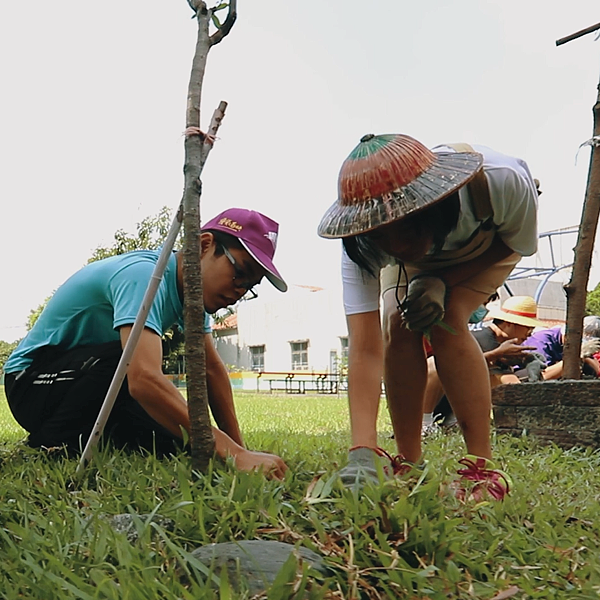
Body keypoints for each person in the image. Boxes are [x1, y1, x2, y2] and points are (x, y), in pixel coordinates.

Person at [318, 133, 539, 499]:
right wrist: (362, 449)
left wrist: (442, 280)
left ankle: (482, 470)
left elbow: (516, 242)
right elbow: (365, 347)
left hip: (486, 247)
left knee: (448, 317)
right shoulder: (362, 246)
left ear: (431, 202)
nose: (396, 245)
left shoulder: (500, 180)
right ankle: (408, 460)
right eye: (381, 234)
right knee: (399, 323)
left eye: (404, 227)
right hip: (412, 267)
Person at [3, 208, 288, 478]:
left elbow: (210, 370)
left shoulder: (194, 299)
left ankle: (91, 436)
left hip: (96, 385)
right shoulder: (143, 276)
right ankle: (51, 442)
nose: (240, 291)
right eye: (240, 273)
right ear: (203, 245)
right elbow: (142, 379)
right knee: (126, 358)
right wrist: (233, 453)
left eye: (250, 285)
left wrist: (239, 449)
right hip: (31, 382)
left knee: (182, 441)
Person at [422, 295, 544, 434]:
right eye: (527, 327)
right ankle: (424, 423)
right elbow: (509, 383)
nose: (529, 334)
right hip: (425, 400)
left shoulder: (496, 343)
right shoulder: (483, 340)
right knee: (438, 364)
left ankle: (455, 419)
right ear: (509, 323)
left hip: (449, 402)